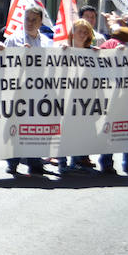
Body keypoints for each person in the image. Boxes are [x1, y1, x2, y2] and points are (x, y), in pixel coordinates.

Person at [0, 5, 52, 175]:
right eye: (27, 19)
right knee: (16, 126)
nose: (29, 23)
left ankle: (35, 162)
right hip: (18, 91)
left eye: (34, 20)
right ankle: (12, 162)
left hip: (39, 91)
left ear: (41, 22)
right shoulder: (14, 39)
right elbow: (3, 64)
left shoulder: (47, 42)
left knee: (34, 127)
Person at [97, 12, 128, 175]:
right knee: (111, 129)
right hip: (113, 95)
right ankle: (106, 162)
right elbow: (97, 63)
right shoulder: (111, 42)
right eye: (125, 23)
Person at [55, 19, 97, 174]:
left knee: (80, 131)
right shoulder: (63, 49)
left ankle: (76, 162)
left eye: (86, 32)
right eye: (80, 31)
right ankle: (62, 162)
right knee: (64, 131)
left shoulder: (93, 52)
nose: (83, 35)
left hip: (84, 100)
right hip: (65, 99)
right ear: (72, 32)